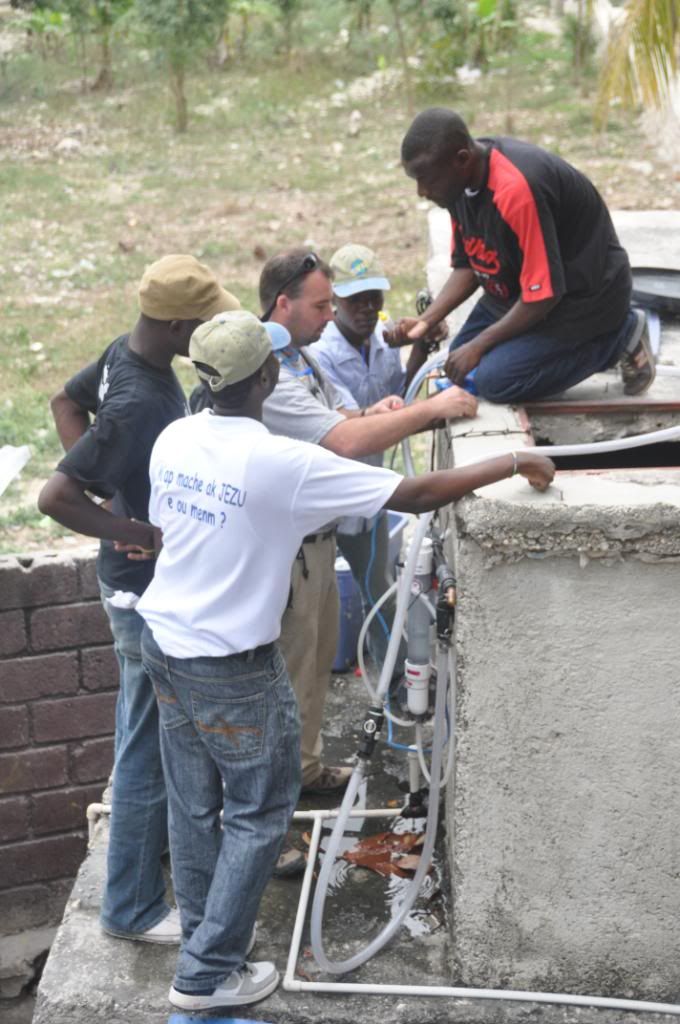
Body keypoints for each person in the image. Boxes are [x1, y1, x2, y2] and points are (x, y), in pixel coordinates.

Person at [133, 309, 554, 1012]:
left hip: (165, 649)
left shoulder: (175, 436)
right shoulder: (281, 462)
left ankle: (206, 948)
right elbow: (412, 495)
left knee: (195, 806)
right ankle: (206, 977)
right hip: (232, 665)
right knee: (258, 813)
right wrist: (512, 458)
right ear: (267, 376)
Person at [38, 254, 239, 944]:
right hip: (140, 597)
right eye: (205, 323)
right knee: (145, 749)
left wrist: (111, 489)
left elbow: (66, 403)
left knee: (145, 735)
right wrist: (125, 524)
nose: (210, 332)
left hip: (133, 589)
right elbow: (53, 495)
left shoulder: (125, 356)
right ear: (179, 324)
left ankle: (140, 876)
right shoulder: (139, 400)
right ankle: (130, 907)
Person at [258, 247, 478, 874]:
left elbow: (343, 416)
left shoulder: (300, 357)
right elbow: (344, 440)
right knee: (283, 687)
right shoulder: (269, 370)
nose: (331, 315)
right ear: (284, 304)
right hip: (292, 555)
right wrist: (428, 411)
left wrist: (381, 410)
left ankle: (305, 771)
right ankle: (271, 832)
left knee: (311, 677)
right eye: (322, 304)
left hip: (319, 548)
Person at [388, 107, 655, 404]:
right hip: (518, 290)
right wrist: (425, 321)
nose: (421, 191)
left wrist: (481, 344)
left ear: (462, 159)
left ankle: (621, 336)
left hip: (583, 298)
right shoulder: (457, 182)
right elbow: (469, 264)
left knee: (495, 381)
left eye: (427, 180)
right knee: (458, 367)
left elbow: (543, 295)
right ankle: (544, 356)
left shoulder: (516, 190)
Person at [309, 242, 436, 669]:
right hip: (327, 499)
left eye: (374, 298)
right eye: (355, 300)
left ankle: (392, 683)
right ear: (335, 303)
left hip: (370, 496)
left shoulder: (380, 342)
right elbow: (352, 426)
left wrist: (422, 344)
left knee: (379, 590)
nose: (367, 308)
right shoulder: (321, 352)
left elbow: (397, 396)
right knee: (317, 598)